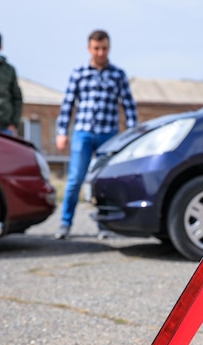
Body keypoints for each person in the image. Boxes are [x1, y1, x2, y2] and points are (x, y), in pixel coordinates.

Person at [54, 29, 138, 239]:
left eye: (104, 48)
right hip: (83, 133)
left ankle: (105, 227)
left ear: (109, 48)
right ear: (89, 48)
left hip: (108, 135)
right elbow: (67, 105)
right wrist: (62, 132)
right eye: (96, 48)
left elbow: (128, 105)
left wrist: (132, 132)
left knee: (105, 182)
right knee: (75, 180)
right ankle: (65, 223)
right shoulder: (79, 73)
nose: (100, 53)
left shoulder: (118, 74)